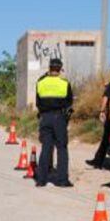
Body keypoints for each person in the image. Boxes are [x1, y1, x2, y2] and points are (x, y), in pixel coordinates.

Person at [35, 57, 74, 188]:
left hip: (45, 117)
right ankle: (62, 180)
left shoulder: (40, 83)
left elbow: (38, 103)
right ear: (60, 69)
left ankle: (41, 180)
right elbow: (69, 103)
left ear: (49, 68)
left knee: (46, 147)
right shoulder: (64, 83)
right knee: (61, 148)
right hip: (59, 118)